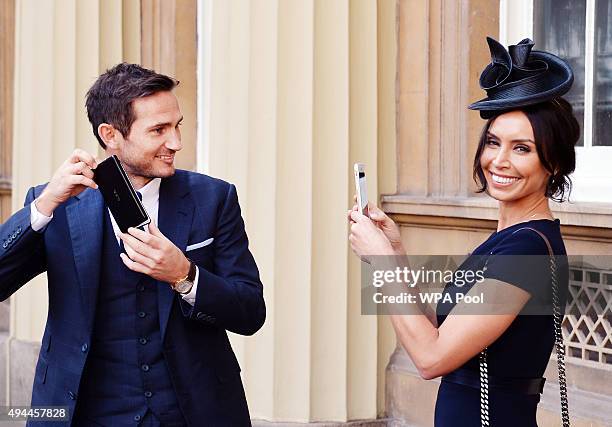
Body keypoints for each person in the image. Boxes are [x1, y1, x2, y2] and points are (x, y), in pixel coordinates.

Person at [0, 63, 265, 426]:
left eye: (177, 125)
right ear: (110, 134)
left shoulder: (214, 198)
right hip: (82, 411)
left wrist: (186, 276)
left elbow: (250, 311)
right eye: (159, 130)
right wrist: (43, 206)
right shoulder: (57, 204)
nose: (176, 142)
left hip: (192, 411)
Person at [349, 37, 578, 426]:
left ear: (552, 162)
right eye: (493, 142)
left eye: (522, 148)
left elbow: (431, 357)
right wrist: (394, 254)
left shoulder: (527, 252)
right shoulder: (509, 241)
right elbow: (440, 329)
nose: (499, 161)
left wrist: (383, 264)